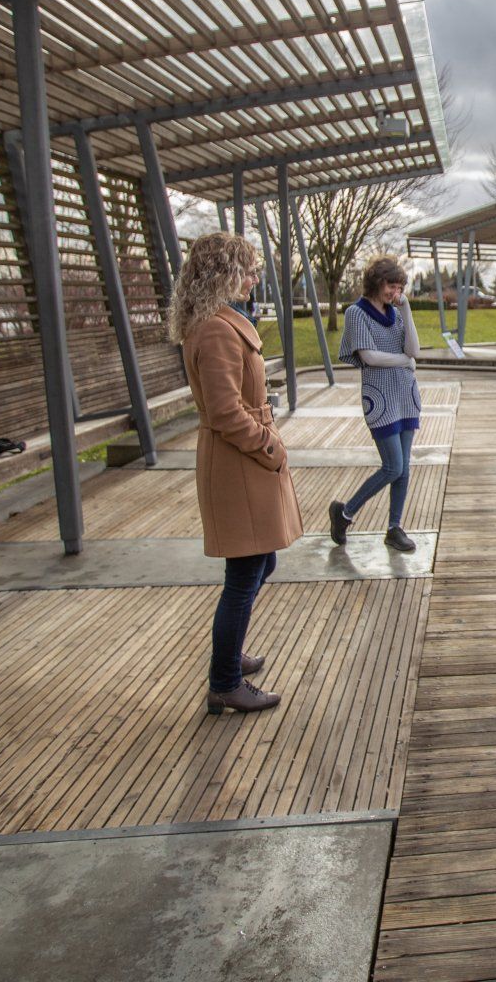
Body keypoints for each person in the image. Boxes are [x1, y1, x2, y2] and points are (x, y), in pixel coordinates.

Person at [170, 231, 300, 715]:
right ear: (223, 274)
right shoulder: (218, 330)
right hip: (240, 461)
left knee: (258, 564)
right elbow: (226, 411)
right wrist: (270, 446)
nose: (254, 277)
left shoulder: (216, 323)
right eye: (246, 268)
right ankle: (224, 680)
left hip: (241, 461)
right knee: (245, 573)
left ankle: (230, 655)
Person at [329, 256, 423, 553]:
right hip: (380, 399)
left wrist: (406, 309)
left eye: (399, 287)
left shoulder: (395, 312)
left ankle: (394, 527)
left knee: (404, 468)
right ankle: (344, 512)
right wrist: (404, 361)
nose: (394, 292)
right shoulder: (356, 313)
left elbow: (414, 349)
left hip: (405, 396)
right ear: (376, 282)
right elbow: (369, 357)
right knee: (392, 466)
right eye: (390, 286)